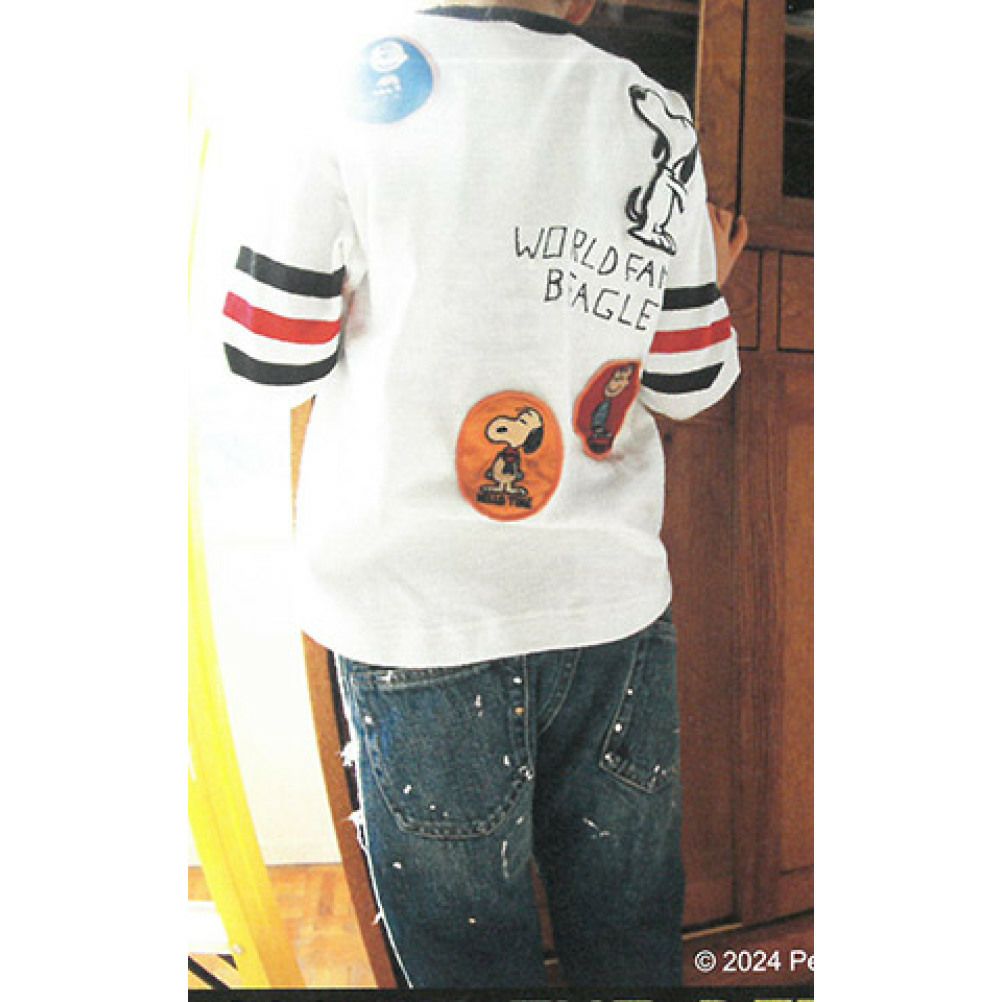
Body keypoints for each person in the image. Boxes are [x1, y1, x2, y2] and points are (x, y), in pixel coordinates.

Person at [221, 0, 747, 988]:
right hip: (608, 608)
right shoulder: (654, 110)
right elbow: (691, 382)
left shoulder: (343, 82)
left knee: (468, 958)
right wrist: (705, 278)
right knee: (628, 930)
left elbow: (268, 356)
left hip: (416, 612)